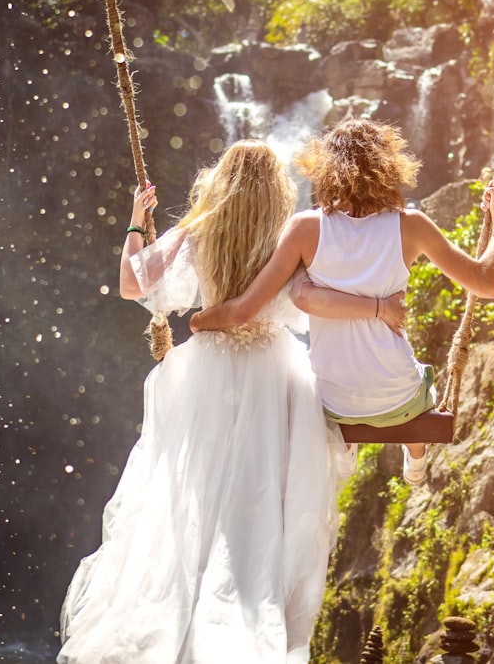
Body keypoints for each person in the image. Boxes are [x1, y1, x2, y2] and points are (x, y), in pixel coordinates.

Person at [58, 140, 404, 664]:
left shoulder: (199, 230)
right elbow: (317, 299)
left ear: (220, 179)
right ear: (278, 189)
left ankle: (191, 616)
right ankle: (250, 612)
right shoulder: (293, 236)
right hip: (275, 373)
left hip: (208, 373)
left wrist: (135, 221)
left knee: (196, 498)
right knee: (264, 502)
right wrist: (379, 309)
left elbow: (132, 285)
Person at [189, 119, 494, 487]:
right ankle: (415, 457)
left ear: (325, 169)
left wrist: (199, 321)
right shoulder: (412, 226)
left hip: (330, 404)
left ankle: (345, 448)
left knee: (330, 381)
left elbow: (244, 310)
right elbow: (486, 283)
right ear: (389, 167)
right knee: (419, 389)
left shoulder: (304, 229)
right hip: (396, 398)